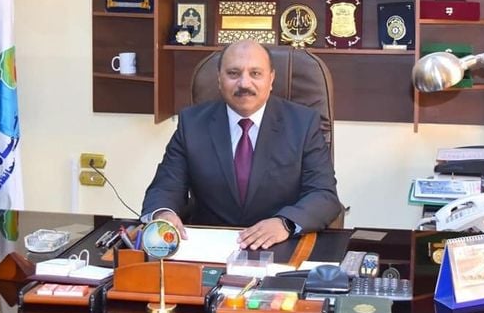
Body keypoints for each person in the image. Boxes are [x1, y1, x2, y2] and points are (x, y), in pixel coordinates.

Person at [141, 39, 341, 250]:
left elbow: (323, 195)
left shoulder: (303, 123)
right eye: (233, 73)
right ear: (219, 79)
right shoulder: (192, 124)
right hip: (210, 246)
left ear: (271, 79)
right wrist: (164, 214)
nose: (244, 83)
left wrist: (286, 223)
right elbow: (166, 186)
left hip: (281, 244)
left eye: (255, 73)